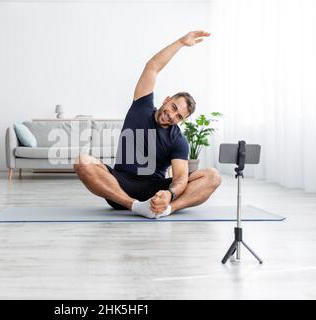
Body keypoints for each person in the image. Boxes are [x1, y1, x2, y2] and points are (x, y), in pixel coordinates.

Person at [74, 30, 222, 219]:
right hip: (120, 186)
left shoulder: (178, 140)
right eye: (173, 107)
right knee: (82, 161)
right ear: (167, 100)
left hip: (155, 190)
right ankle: (135, 206)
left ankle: (168, 209)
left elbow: (180, 178)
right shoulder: (141, 106)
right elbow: (152, 67)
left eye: (179, 116)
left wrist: (169, 195)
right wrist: (181, 42)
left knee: (213, 176)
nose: (172, 115)